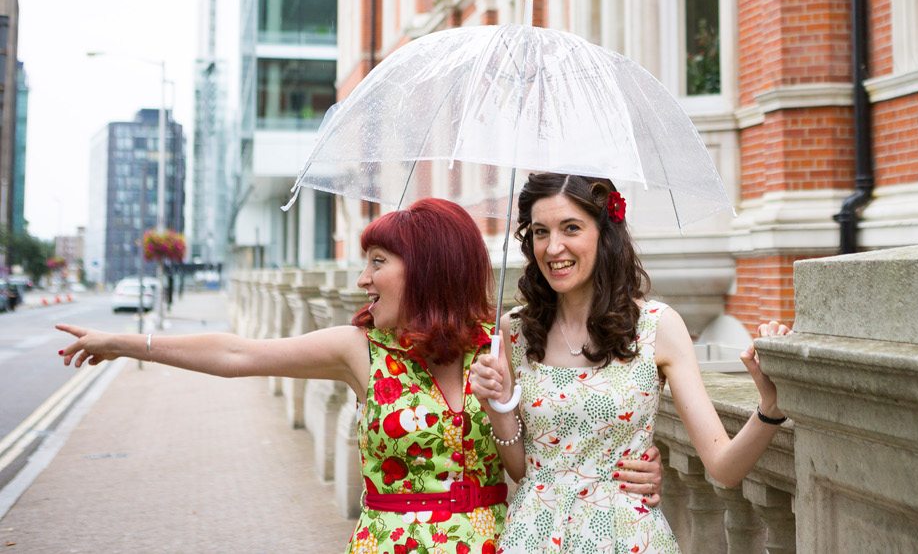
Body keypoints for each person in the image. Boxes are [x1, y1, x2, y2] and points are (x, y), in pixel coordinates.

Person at [56, 197, 663, 554]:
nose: (363, 280)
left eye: (378, 262)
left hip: (497, 544)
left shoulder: (508, 342)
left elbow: (579, 421)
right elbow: (239, 354)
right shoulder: (360, 349)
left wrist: (642, 462)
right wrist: (127, 343)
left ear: (428, 270)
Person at [470, 174, 792, 553]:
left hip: (626, 537)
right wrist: (497, 403)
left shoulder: (658, 327)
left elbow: (724, 468)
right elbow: (522, 469)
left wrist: (770, 408)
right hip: (535, 535)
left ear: (604, 233)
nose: (554, 247)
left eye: (571, 228)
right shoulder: (514, 332)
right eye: (541, 232)